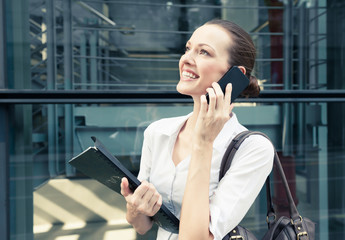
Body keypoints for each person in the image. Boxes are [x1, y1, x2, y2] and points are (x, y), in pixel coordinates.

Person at [120, 19, 274, 240]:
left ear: (235, 74)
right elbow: (142, 226)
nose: (186, 59)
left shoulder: (254, 148)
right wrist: (135, 208)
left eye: (204, 52)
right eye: (188, 48)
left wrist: (204, 142)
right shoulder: (157, 132)